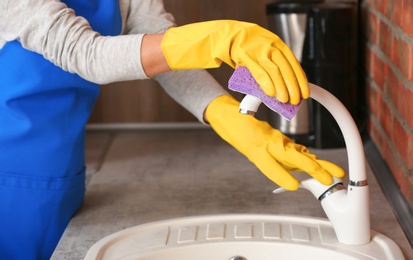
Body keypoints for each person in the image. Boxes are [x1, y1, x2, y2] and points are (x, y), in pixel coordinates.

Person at [0, 0, 345, 259]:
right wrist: (219, 38)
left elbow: (162, 50)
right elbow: (84, 53)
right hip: (8, 176)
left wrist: (228, 116)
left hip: (61, 171)